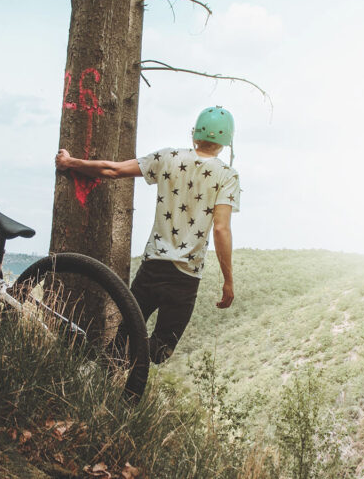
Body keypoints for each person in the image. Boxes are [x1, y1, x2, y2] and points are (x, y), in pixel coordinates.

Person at [54, 105, 240, 364]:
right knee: (160, 351)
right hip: (186, 277)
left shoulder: (168, 157)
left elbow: (113, 170)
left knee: (123, 340)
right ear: (226, 143)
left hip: (153, 266)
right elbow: (221, 228)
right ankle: (111, 382)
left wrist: (70, 162)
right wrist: (228, 280)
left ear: (194, 134)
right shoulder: (227, 175)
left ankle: (94, 374)